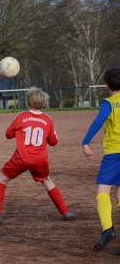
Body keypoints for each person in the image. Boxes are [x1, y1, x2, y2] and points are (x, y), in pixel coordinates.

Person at [0, 87, 75, 226]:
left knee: (1, 180)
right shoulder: (48, 119)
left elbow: (8, 135)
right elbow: (54, 142)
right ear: (44, 104)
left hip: (21, 158)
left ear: (27, 103)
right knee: (47, 181)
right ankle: (65, 211)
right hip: (40, 159)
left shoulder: (21, 116)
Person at [82, 68, 120, 252]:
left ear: (106, 85)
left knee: (102, 192)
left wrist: (86, 141)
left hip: (114, 153)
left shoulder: (109, 103)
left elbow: (99, 121)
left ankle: (108, 229)